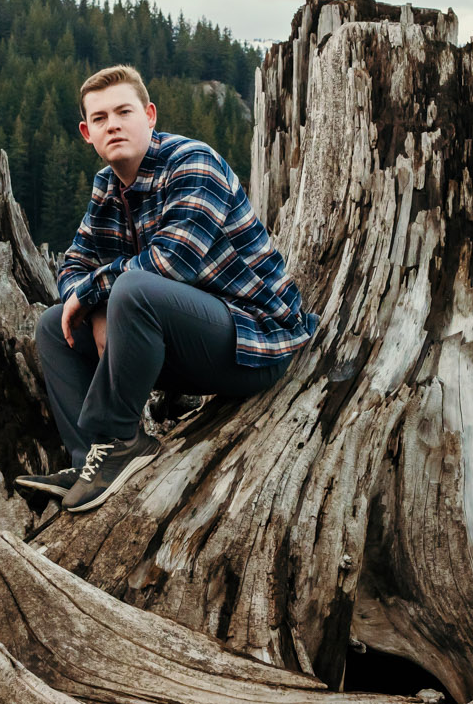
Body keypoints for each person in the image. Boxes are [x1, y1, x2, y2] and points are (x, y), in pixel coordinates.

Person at [21, 64, 316, 513]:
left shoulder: (194, 162)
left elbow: (170, 264)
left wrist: (96, 294)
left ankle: (121, 439)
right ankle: (91, 462)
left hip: (253, 342)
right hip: (182, 345)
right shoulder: (108, 186)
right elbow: (75, 264)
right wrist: (96, 309)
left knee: (135, 288)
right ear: (87, 132)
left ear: (150, 115)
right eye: (100, 119)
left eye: (124, 111)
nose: (113, 124)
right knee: (52, 327)